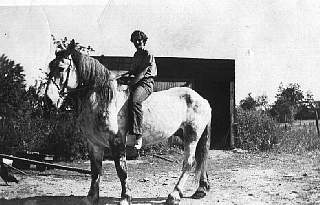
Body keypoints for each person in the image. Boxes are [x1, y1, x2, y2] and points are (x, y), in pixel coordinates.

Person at [123, 30, 157, 149]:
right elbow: (133, 71)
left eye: (139, 40)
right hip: (136, 82)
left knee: (135, 101)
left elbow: (142, 73)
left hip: (146, 83)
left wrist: (131, 83)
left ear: (143, 40)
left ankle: (138, 136)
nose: (137, 42)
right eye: (135, 40)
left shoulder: (148, 53)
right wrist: (123, 77)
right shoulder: (136, 55)